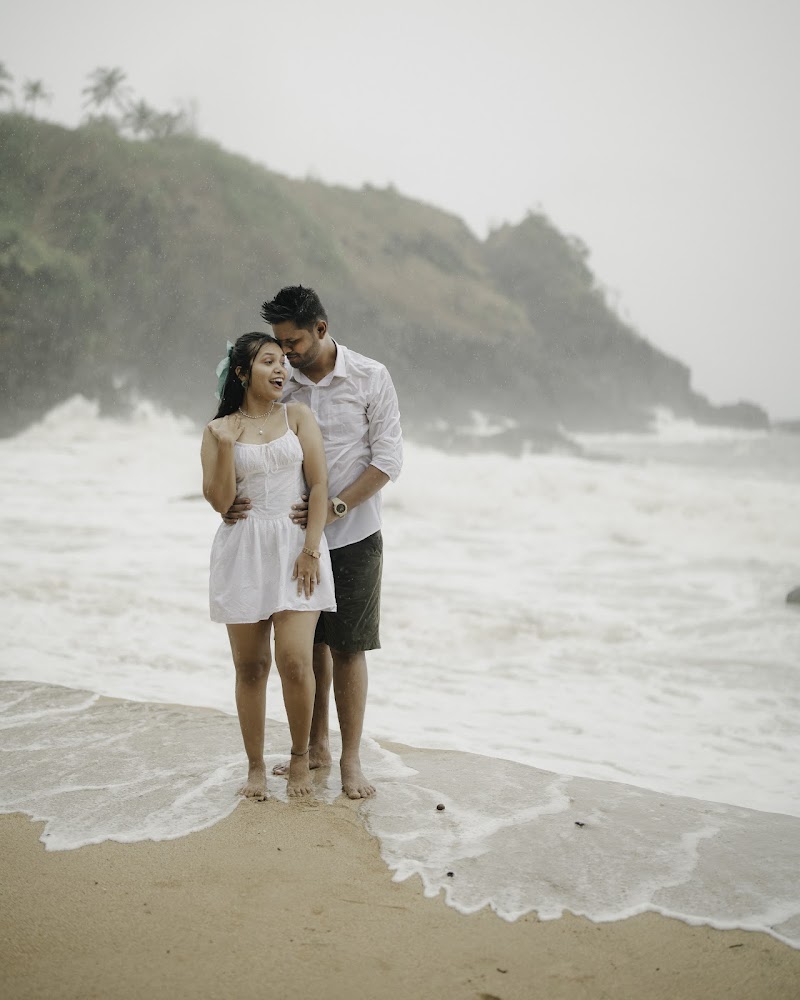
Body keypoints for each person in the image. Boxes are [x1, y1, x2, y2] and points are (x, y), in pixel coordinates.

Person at [225, 286, 403, 799]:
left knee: (349, 647)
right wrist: (231, 500)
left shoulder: (371, 376)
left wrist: (334, 509)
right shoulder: (283, 383)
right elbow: (248, 434)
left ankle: (351, 760)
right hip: (291, 539)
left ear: (321, 329)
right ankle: (316, 747)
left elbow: (388, 460)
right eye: (279, 344)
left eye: (294, 342)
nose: (287, 354)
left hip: (354, 534)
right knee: (309, 649)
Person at [202, 331, 336, 801]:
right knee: (251, 667)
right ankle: (255, 767)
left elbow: (318, 486)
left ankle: (300, 759)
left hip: (296, 548)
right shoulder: (218, 430)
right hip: (243, 551)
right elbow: (221, 502)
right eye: (268, 361)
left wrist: (311, 548)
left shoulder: (298, 416)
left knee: (296, 661)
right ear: (242, 373)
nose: (281, 369)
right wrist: (225, 446)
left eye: (282, 361)